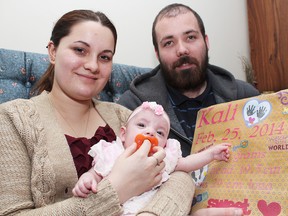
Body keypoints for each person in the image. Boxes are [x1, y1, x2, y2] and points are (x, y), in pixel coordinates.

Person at [0, 10, 195, 215]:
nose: (93, 66)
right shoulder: (13, 119)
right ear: (53, 51)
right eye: (80, 50)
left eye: (104, 57)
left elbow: (178, 175)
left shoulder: (126, 117)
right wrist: (117, 190)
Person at [118, 3, 260, 158]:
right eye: (169, 43)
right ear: (157, 54)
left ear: (206, 42)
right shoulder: (131, 108)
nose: (182, 50)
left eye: (190, 37)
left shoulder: (246, 97)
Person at [72, 101, 231, 215]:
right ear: (123, 133)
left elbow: (188, 164)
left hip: (153, 209)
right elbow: (95, 173)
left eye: (160, 132)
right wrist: (86, 180)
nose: (150, 132)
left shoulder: (162, 159)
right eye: (141, 125)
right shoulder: (112, 152)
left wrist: (211, 154)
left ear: (165, 143)